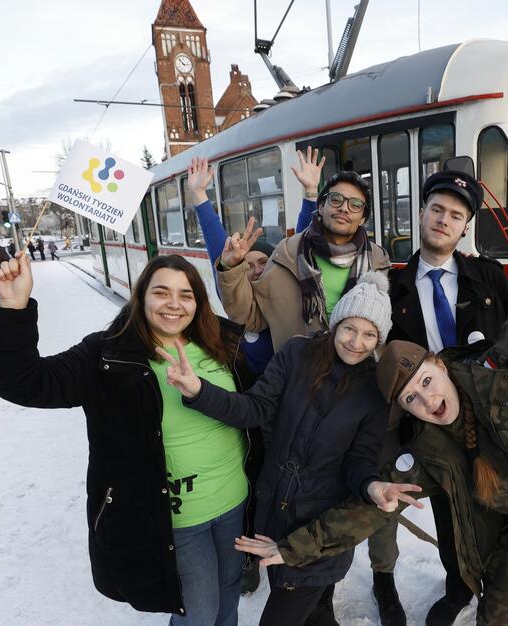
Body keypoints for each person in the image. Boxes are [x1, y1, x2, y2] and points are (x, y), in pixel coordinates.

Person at [235, 147, 508, 625]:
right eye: (413, 398)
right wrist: (293, 546)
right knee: (500, 613)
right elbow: (366, 510)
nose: (427, 399)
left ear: (441, 366)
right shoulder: (428, 440)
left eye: (426, 382)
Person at [0, 252, 262, 625]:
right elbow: (25, 383)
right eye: (161, 292)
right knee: (198, 612)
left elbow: (257, 408)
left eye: (186, 294)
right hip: (177, 518)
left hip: (234, 504)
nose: (174, 304)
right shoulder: (106, 355)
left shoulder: (226, 342)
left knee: (229, 595)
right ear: (141, 296)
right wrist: (12, 308)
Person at [159, 273, 393, 626]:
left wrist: (372, 484)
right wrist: (198, 391)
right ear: (336, 323)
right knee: (311, 612)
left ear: (379, 340)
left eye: (369, 334)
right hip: (275, 516)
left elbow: (360, 462)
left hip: (319, 533)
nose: (356, 343)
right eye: (349, 328)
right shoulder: (298, 354)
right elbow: (253, 409)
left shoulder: (373, 391)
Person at [373, 170, 508, 626]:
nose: (443, 220)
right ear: (421, 213)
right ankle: (457, 586)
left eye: (456, 215)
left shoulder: (488, 278)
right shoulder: (392, 288)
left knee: (498, 505)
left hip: (489, 418)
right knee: (449, 512)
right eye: (437, 209)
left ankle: (500, 590)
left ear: (465, 227)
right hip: (432, 424)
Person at [216, 165, 391, 351]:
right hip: (302, 373)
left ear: (363, 218)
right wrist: (230, 267)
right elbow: (252, 317)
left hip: (360, 374)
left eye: (355, 205)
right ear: (322, 206)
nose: (344, 208)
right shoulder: (287, 254)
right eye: (336, 199)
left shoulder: (378, 260)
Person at [186, 151, 318, 377]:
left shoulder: (287, 289)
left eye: (263, 263)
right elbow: (218, 247)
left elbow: (302, 243)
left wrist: (311, 192)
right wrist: (199, 194)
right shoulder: (232, 294)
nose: (256, 270)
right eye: (247, 266)